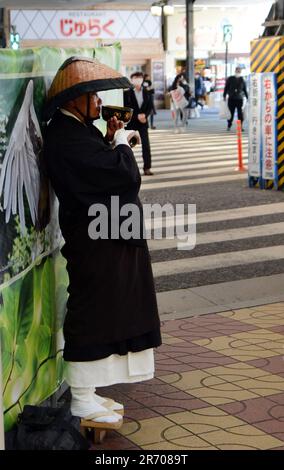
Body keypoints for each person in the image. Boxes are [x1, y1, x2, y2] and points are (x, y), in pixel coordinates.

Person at [44, 57, 161, 425]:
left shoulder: (77, 129)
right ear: (72, 99)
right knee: (93, 311)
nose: (99, 102)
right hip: (95, 241)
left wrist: (111, 138)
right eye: (92, 95)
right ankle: (80, 396)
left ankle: (90, 390)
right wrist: (124, 145)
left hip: (108, 235)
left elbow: (100, 169)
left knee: (113, 309)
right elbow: (121, 177)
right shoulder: (65, 136)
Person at [124, 72, 154, 176]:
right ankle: (126, 168)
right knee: (127, 145)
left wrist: (145, 115)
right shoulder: (127, 93)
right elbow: (126, 107)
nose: (138, 79)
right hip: (131, 122)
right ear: (132, 80)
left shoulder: (147, 92)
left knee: (146, 145)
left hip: (143, 122)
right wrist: (136, 115)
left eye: (140, 77)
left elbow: (150, 106)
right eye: (136, 78)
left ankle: (147, 168)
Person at [223, 66, 248, 131]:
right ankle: (229, 125)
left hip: (239, 99)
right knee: (231, 113)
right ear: (235, 71)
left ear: (241, 72)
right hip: (231, 98)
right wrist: (224, 96)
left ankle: (240, 126)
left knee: (240, 114)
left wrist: (248, 97)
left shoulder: (242, 79)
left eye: (239, 71)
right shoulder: (230, 78)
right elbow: (226, 88)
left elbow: (245, 89)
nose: (238, 72)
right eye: (237, 70)